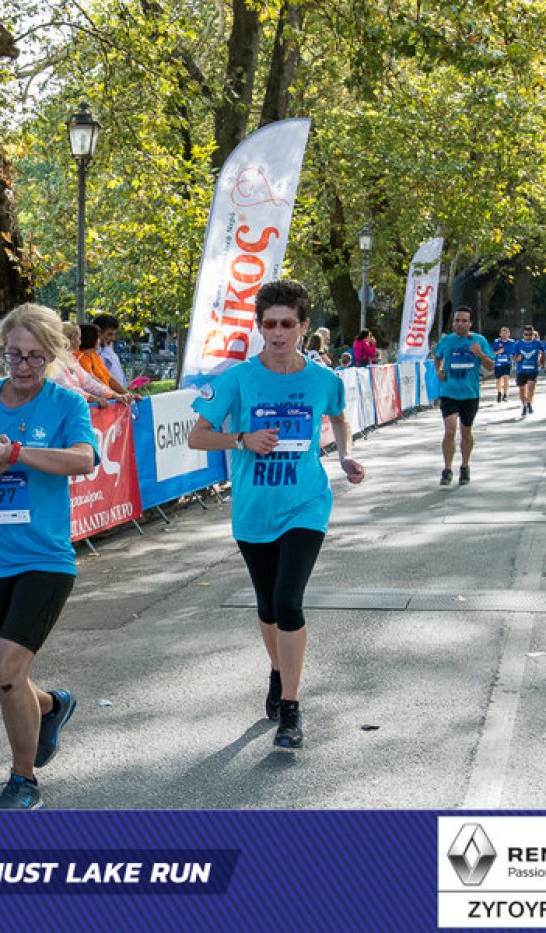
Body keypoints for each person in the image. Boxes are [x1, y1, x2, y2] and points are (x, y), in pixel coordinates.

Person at [186, 280, 366, 749]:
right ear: (259, 326)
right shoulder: (238, 379)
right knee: (266, 606)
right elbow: (197, 436)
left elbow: (339, 415)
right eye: (270, 324)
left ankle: (291, 707)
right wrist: (242, 438)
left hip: (306, 503)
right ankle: (277, 668)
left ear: (304, 326)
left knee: (288, 601)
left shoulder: (324, 380)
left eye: (288, 324)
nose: (278, 333)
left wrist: (345, 455)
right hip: (254, 508)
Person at [0, 302, 98, 809]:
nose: (23, 366)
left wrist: (14, 453)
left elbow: (83, 459)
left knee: (9, 672)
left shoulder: (66, 404)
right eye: (14, 355)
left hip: (45, 559)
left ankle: (23, 781)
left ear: (52, 356)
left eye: (34, 356)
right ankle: (51, 706)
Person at [432, 306, 494, 486]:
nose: (460, 324)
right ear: (453, 323)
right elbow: (437, 357)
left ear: (470, 323)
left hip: (469, 394)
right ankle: (447, 469)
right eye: (457, 320)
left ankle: (465, 466)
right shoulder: (447, 341)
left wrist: (479, 353)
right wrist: (439, 370)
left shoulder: (479, 340)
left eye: (464, 321)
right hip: (449, 392)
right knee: (450, 431)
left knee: (466, 432)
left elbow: (491, 366)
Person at [53, 322, 118, 402]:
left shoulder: (71, 358)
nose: (80, 342)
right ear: (70, 340)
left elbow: (88, 381)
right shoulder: (55, 360)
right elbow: (65, 387)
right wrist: (93, 398)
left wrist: (112, 395)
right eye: (79, 338)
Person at [75, 324, 131, 394]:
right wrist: (116, 395)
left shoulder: (93, 354)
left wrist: (127, 394)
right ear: (90, 339)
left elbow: (109, 378)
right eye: (98, 337)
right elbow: (94, 383)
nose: (100, 340)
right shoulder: (80, 358)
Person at [510, 325, 546, 417]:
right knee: (522, 389)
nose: (528, 336)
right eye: (526, 334)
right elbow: (512, 356)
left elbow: (543, 352)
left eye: (530, 334)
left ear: (533, 334)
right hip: (521, 370)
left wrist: (541, 361)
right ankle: (524, 405)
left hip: (533, 369)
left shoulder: (537, 343)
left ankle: (529, 402)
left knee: (531, 387)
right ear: (523, 334)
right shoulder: (518, 344)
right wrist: (517, 359)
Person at [91, 312, 127, 388]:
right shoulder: (91, 352)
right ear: (98, 332)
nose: (113, 338)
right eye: (110, 334)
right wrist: (107, 351)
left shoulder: (108, 349)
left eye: (114, 334)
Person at [491, 326, 514, 404]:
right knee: (498, 379)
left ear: (509, 334)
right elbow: (491, 353)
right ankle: (499, 393)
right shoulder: (496, 342)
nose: (504, 335)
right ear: (500, 334)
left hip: (507, 363)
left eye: (506, 333)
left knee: (506, 378)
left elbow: (514, 352)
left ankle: (505, 394)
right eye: (503, 333)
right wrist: (498, 352)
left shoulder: (511, 342)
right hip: (498, 363)